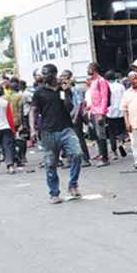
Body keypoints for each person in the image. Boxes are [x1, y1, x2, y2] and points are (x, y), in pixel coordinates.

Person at [30, 64, 82, 203]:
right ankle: (54, 193)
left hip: (65, 128)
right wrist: (32, 129)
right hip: (48, 131)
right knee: (51, 163)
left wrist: (65, 92)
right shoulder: (39, 91)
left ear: (54, 74)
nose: (44, 76)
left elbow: (69, 107)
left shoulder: (63, 89)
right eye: (43, 73)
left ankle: (73, 185)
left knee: (77, 154)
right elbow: (34, 110)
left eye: (46, 73)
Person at [85, 62, 111, 166]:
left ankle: (105, 158)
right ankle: (102, 155)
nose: (87, 71)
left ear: (93, 69)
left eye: (89, 68)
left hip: (99, 111)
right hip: (94, 111)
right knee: (97, 134)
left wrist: (101, 113)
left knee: (101, 134)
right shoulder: (93, 82)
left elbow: (104, 97)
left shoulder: (101, 81)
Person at [0, 83, 16, 174]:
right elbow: (10, 117)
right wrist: (13, 129)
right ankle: (10, 166)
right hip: (5, 127)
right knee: (8, 146)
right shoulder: (5, 102)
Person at [105, 71, 127, 160]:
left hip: (109, 112)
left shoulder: (106, 86)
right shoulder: (121, 86)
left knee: (112, 133)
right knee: (122, 130)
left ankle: (114, 152)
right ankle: (121, 143)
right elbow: (125, 97)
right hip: (120, 111)